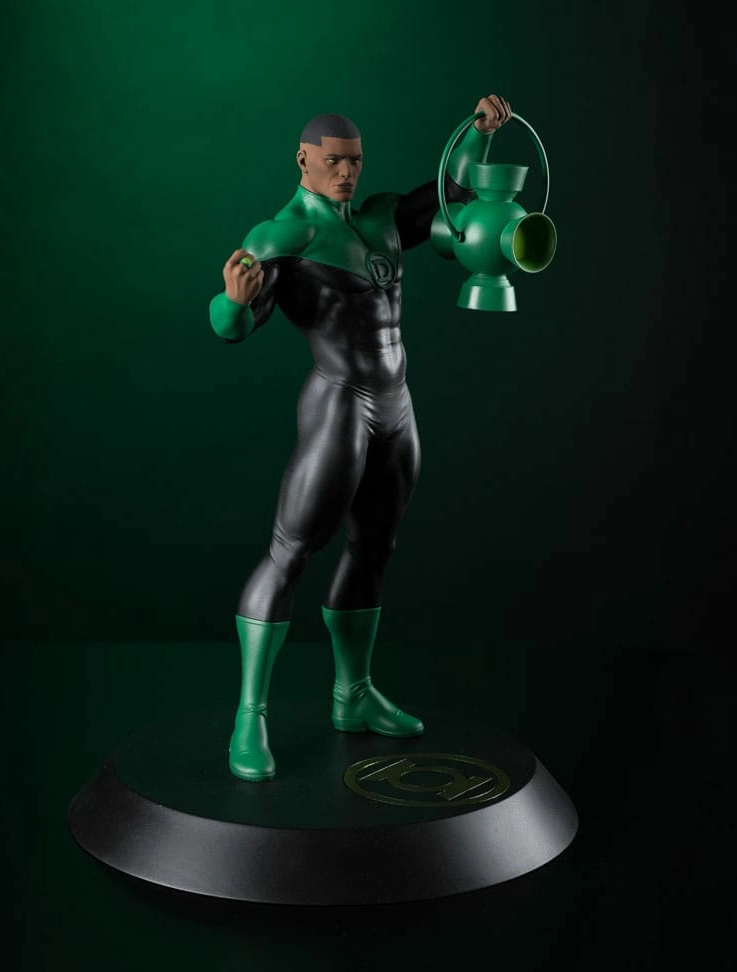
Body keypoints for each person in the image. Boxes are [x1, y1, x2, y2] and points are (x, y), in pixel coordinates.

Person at [210, 95, 512, 781]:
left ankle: (353, 694)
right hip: (339, 404)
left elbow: (451, 191)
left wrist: (479, 131)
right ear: (303, 160)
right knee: (291, 552)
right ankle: (249, 716)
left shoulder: (380, 218)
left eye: (355, 162)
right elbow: (233, 325)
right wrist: (231, 301)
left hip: (396, 404)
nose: (347, 173)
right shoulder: (281, 236)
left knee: (375, 545)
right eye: (335, 163)